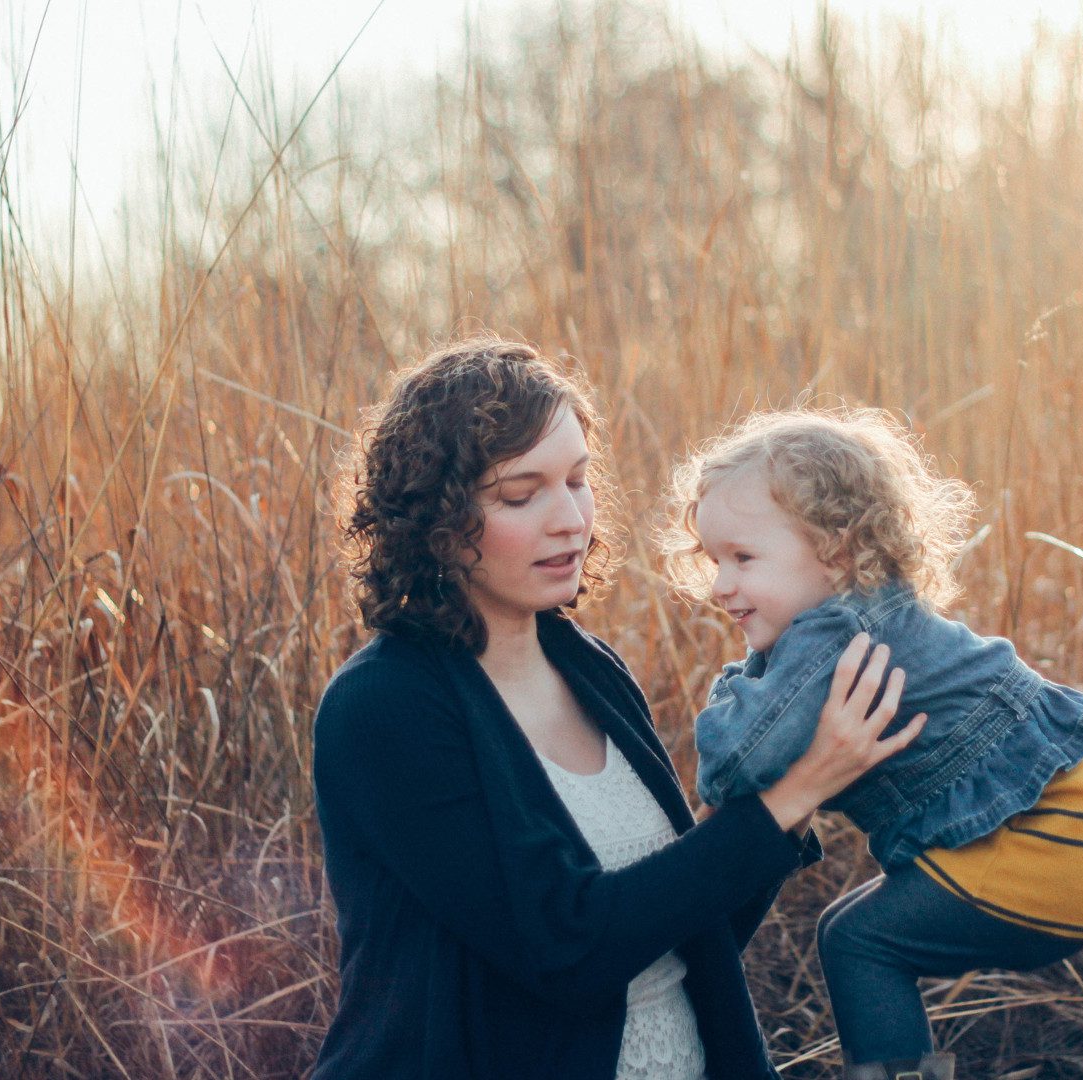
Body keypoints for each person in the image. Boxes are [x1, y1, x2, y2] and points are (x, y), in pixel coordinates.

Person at [310, 338, 927, 1080]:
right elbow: (566, 951)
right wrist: (793, 793)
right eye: (520, 494)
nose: (569, 519)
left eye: (577, 480)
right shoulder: (384, 707)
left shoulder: (588, 666)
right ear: (433, 518)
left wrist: (800, 779)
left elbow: (686, 934)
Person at [661, 408, 1083, 1080]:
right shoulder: (865, 614)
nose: (720, 585)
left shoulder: (833, 635)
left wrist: (738, 682)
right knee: (844, 931)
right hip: (1069, 831)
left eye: (743, 558)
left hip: (1041, 841)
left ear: (836, 547)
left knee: (861, 943)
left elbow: (736, 761)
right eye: (714, 560)